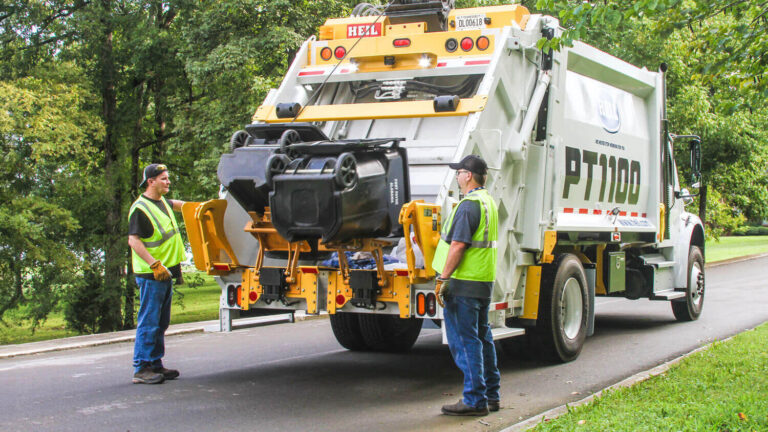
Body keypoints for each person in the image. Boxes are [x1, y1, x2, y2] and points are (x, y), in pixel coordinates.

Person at [432, 155, 500, 416]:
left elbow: (458, 245)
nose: (457, 176)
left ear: (468, 175)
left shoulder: (468, 205)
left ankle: (474, 400)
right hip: (482, 282)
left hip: (463, 285)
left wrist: (443, 279)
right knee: (483, 338)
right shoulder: (488, 203)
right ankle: (491, 395)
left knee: (465, 341)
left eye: (459, 172)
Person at [128, 163, 186, 384]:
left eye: (167, 178)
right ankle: (141, 368)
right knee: (149, 321)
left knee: (161, 322)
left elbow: (179, 205)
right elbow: (133, 240)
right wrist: (154, 264)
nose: (168, 181)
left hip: (165, 272)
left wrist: (205, 206)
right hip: (151, 273)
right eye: (163, 178)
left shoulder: (162, 202)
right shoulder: (140, 208)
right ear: (150, 181)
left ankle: (155, 364)